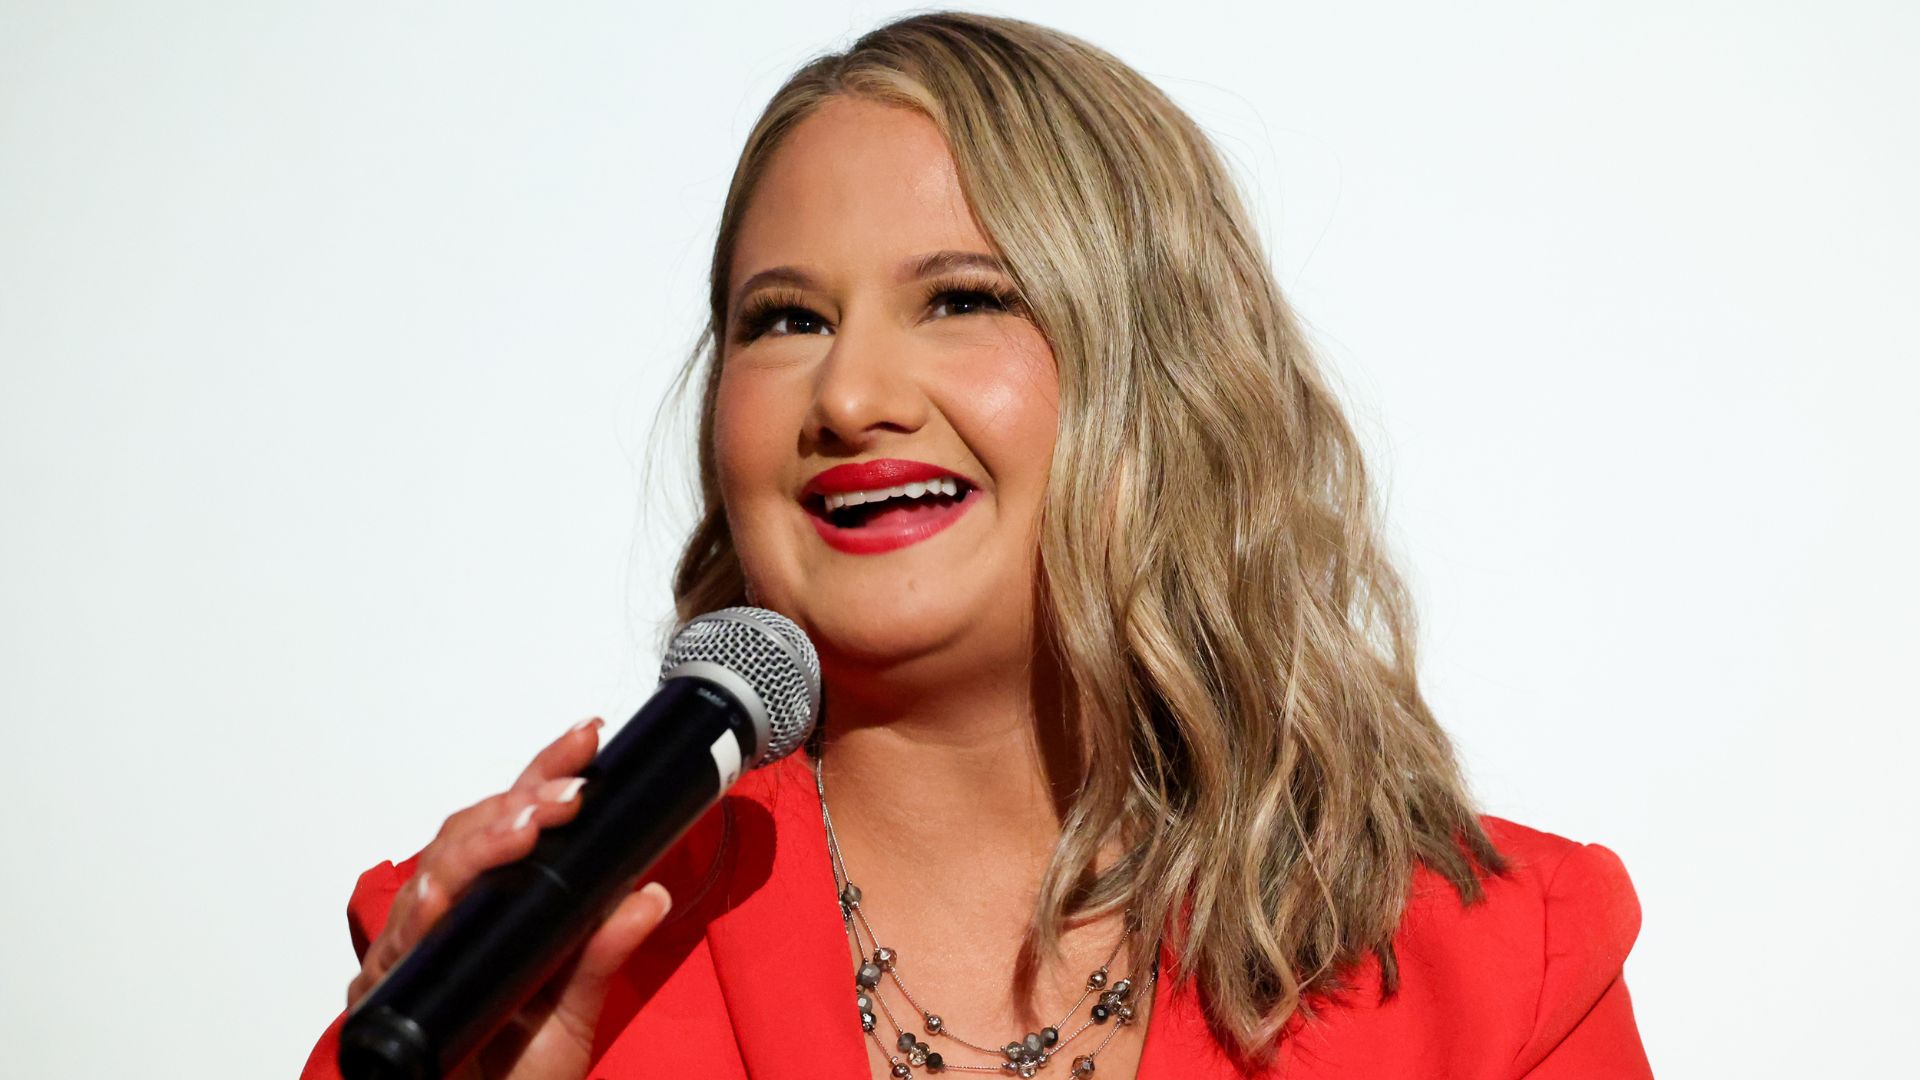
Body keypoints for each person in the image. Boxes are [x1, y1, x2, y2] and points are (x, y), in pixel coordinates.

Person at [299, 11, 1652, 1080]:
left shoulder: (1501, 960)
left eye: (961, 298)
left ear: (1162, 382)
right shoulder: (511, 959)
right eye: (784, 321)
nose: (847, 398)